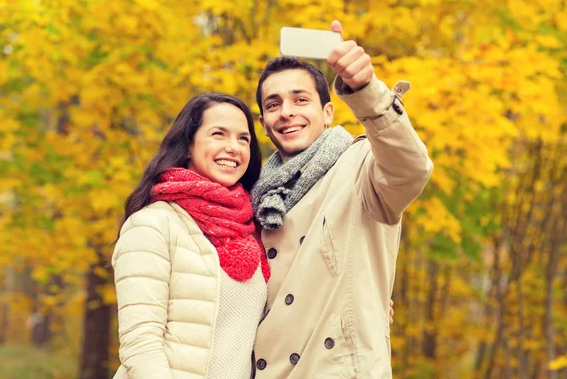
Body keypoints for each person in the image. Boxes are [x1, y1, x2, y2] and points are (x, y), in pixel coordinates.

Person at [250, 20, 433, 378]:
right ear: (263, 122)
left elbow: (411, 169)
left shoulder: (361, 165)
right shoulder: (254, 196)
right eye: (273, 105)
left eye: (300, 99)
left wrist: (366, 90)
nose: (286, 111)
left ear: (328, 112)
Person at [111, 92, 270, 379]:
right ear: (187, 146)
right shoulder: (153, 225)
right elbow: (141, 346)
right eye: (218, 134)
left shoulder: (255, 230)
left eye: (243, 138)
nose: (233, 147)